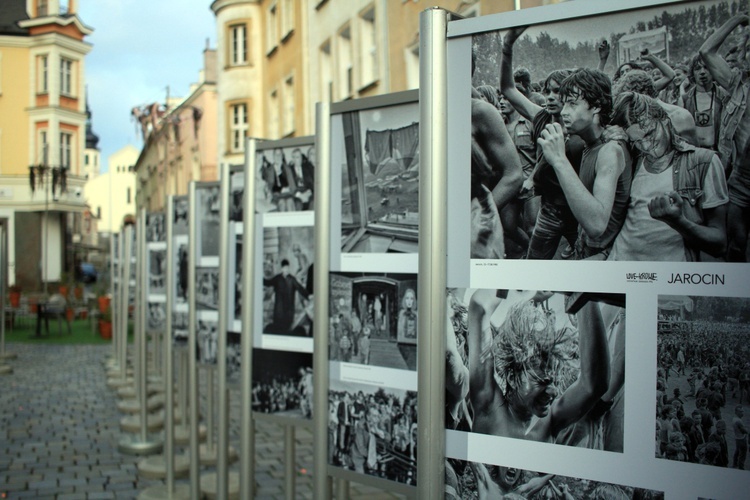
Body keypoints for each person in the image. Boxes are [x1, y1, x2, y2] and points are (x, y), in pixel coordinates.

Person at [467, 289, 610, 443]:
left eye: (554, 381)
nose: (553, 391)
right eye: (542, 382)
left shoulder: (550, 420)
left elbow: (593, 386)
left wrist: (583, 292)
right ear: (511, 377)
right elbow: (478, 307)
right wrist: (520, 283)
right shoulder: (488, 403)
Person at [607, 92, 728, 261]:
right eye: (637, 140)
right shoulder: (632, 158)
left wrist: (678, 221)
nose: (647, 146)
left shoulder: (704, 162)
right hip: (620, 263)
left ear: (665, 119)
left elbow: (720, 244)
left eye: (649, 134)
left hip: (670, 276)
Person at [500, 26, 585, 260]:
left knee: (587, 265)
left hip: (579, 212)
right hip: (550, 208)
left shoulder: (583, 128)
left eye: (556, 92)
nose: (549, 97)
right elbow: (507, 89)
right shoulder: (541, 117)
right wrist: (507, 47)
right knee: (534, 264)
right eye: (547, 91)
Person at [538, 68, 632, 259]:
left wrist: (559, 160)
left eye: (572, 104)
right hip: (586, 252)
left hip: (603, 260)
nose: (564, 112)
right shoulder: (587, 142)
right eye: (564, 104)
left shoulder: (610, 150)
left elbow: (596, 225)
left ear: (596, 106)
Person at [699, 14, 750, 261]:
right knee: (736, 247)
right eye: (749, 49)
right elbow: (707, 51)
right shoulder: (737, 83)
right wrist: (737, 19)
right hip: (740, 180)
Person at [677, 55, 726, 151]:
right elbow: (681, 133)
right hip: (694, 153)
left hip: (718, 152)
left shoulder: (723, 97)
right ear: (692, 73)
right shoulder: (684, 99)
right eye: (697, 69)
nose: (702, 72)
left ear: (713, 70)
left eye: (706, 67)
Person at [263, 259, 310, 334]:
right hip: (279, 310)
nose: (286, 269)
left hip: (289, 310)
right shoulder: (277, 278)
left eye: (287, 268)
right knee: (278, 330)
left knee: (287, 329)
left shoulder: (292, 279)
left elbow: (300, 288)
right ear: (282, 269)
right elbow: (268, 282)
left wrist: (308, 296)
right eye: (285, 268)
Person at [732, 405, 748, 469]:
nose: (742, 413)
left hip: (737, 438)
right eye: (740, 411)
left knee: (737, 451)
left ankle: (735, 463)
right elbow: (744, 431)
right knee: (743, 454)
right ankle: (741, 467)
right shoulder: (738, 421)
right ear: (736, 412)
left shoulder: (734, 419)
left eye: (742, 411)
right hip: (741, 438)